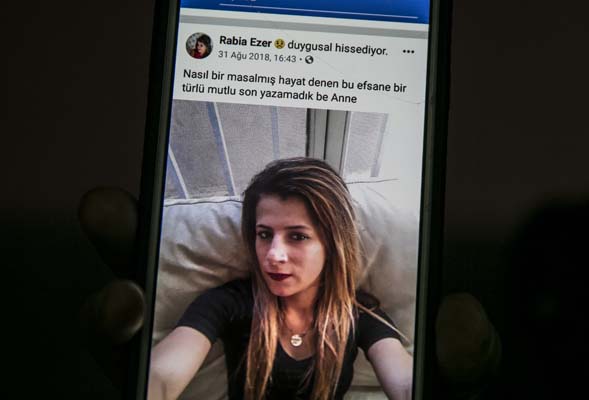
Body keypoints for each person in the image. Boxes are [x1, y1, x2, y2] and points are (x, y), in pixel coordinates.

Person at [79, 165, 502, 400]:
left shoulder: (360, 315)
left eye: (297, 237)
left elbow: (405, 380)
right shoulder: (230, 302)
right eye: (264, 234)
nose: (273, 255)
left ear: (331, 243)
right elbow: (164, 375)